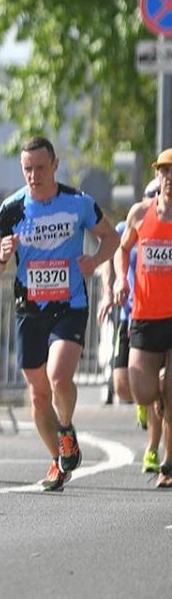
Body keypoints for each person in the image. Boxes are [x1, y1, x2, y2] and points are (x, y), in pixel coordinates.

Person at [0, 136, 118, 492]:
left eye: (41, 168)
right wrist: (1, 255)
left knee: (59, 375)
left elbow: (111, 238)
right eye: (28, 169)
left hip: (70, 304)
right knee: (38, 394)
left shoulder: (77, 203)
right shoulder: (12, 208)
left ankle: (66, 425)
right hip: (29, 308)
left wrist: (93, 261)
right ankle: (58, 456)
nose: (34, 176)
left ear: (55, 166)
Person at [115, 150, 172, 487]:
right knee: (142, 391)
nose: (170, 178)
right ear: (158, 177)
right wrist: (122, 279)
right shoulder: (140, 213)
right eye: (165, 172)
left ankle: (168, 463)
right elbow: (123, 249)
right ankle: (160, 396)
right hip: (146, 315)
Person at [99, 178, 164, 473]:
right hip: (132, 315)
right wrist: (111, 289)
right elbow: (114, 257)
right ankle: (146, 398)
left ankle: (154, 450)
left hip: (161, 314)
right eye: (150, 195)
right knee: (124, 388)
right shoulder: (133, 224)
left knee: (163, 391)